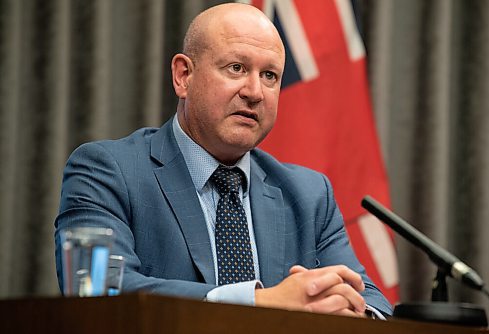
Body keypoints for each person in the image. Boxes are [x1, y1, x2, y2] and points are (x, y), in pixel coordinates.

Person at [54, 3, 392, 318]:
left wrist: (341, 308)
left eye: (270, 76)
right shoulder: (106, 170)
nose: (255, 91)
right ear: (183, 76)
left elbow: (373, 302)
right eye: (237, 68)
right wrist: (260, 303)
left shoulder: (308, 194)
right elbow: (94, 289)